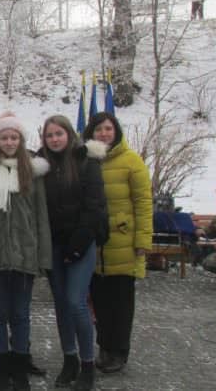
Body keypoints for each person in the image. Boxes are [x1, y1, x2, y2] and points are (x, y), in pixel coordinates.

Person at [0, 112, 52, 391]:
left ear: (21, 139)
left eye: (13, 137)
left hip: (24, 254)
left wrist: (43, 256)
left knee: (20, 315)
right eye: (4, 137)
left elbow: (41, 217)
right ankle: (1, 368)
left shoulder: (33, 172)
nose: (8, 141)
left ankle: (20, 368)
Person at [38, 115, 108, 391]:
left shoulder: (86, 162)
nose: (54, 139)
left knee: (76, 302)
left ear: (69, 134)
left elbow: (94, 208)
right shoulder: (41, 166)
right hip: (54, 245)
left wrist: (76, 248)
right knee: (61, 304)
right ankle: (70, 359)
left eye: (59, 134)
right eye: (49, 135)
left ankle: (88, 363)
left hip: (81, 243)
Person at [83, 113, 152, 374]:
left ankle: (119, 351)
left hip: (123, 242)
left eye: (108, 129)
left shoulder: (131, 161)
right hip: (96, 245)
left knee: (120, 302)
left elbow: (144, 203)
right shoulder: (88, 160)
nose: (104, 133)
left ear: (117, 131)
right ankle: (104, 346)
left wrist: (143, 240)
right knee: (99, 301)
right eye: (99, 129)